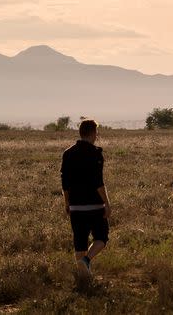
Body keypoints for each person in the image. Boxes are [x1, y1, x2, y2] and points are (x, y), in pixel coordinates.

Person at [60, 119, 111, 279]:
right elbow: (98, 182)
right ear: (93, 133)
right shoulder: (95, 153)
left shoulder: (67, 153)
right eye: (97, 132)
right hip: (94, 205)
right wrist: (107, 203)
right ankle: (86, 260)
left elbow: (65, 182)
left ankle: (83, 277)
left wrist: (67, 202)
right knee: (102, 237)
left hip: (75, 206)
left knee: (80, 241)